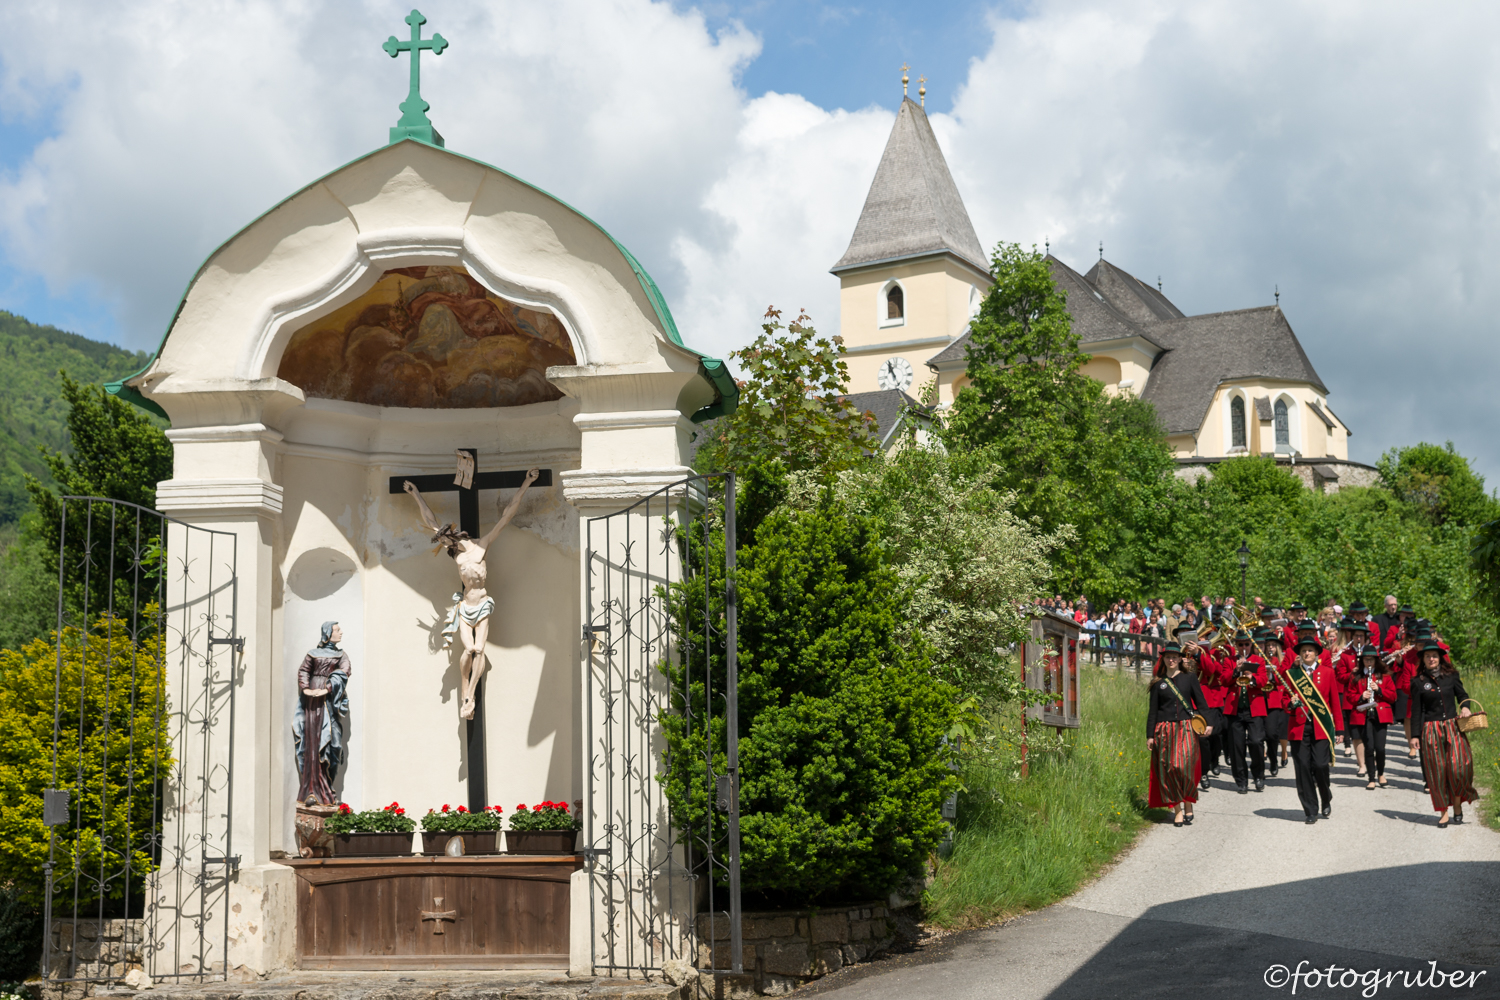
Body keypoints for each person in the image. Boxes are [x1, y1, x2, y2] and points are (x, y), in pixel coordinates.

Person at [404, 468, 541, 719]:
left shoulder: (481, 545)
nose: (444, 544)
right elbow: (430, 521)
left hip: (483, 605)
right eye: (442, 542)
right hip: (466, 607)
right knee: (468, 650)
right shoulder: (456, 554)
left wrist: (526, 483)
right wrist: (416, 495)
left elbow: (507, 515)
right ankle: (465, 690)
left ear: (452, 534)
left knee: (479, 649)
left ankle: (471, 695)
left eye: (445, 540)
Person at [1408, 640, 1478, 826]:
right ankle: (1443, 812)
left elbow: (1462, 696)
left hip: (1453, 726)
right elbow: (1416, 711)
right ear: (1423, 659)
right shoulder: (1418, 682)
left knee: (1459, 768)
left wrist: (1465, 707)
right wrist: (1415, 735)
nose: (1431, 659)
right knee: (1436, 772)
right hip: (1431, 730)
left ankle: (1457, 804)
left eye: (1434, 656)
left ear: (1440, 658)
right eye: (1428, 656)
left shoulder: (1451, 676)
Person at [1147, 640, 1211, 827]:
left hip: (1186, 728)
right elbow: (1153, 712)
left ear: (1180, 659)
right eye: (1168, 657)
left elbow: (1201, 702)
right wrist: (1150, 735)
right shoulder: (1158, 683)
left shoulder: (1189, 678)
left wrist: (1209, 723)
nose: (1171, 660)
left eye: (1174, 657)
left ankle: (1188, 802)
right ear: (1163, 659)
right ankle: (1177, 810)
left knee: (1185, 767)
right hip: (1164, 730)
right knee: (1170, 769)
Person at [294, 621, 353, 806]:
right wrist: (306, 689)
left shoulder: (341, 655)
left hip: (329, 701)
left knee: (334, 745)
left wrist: (327, 688)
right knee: (313, 743)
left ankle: (327, 787)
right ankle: (312, 790)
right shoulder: (312, 653)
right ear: (328, 633)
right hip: (313, 703)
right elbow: (304, 670)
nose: (341, 632)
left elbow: (344, 672)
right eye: (337, 630)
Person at [1287, 635, 1343, 824]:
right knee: (1303, 768)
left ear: (1317, 653)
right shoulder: (1292, 674)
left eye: (1310, 650)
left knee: (1320, 765)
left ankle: (1325, 796)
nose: (1307, 653)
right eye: (1303, 651)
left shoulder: (1327, 672)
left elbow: (1335, 702)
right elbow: (1284, 698)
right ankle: (1310, 810)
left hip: (1321, 726)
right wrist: (1291, 702)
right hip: (1299, 727)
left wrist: (1340, 730)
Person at [1224, 630, 1269, 793]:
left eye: (1246, 644)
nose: (1244, 647)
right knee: (1237, 746)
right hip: (1235, 709)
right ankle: (1241, 780)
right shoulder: (1229, 660)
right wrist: (1236, 671)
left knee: (1256, 742)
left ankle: (1258, 775)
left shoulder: (1258, 660)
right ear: (1236, 645)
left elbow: (1264, 680)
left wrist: (1252, 677)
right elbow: (1223, 680)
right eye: (1240, 644)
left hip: (1254, 708)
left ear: (1251, 644)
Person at [1348, 644, 1396, 790]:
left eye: (1371, 660)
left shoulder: (1385, 676)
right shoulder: (1356, 677)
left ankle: (1381, 774)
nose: (1368, 662)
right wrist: (1361, 696)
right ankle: (1371, 778)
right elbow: (1349, 696)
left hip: (1380, 715)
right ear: (1362, 661)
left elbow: (1393, 696)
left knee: (1380, 748)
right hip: (1364, 714)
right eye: (1366, 660)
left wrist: (1379, 690)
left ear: (1376, 661)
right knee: (1369, 747)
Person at [1257, 627, 1291, 774]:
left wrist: (1272, 673)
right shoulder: (1260, 659)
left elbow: (1282, 679)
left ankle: (1273, 760)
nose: (1270, 648)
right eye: (1268, 645)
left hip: (1274, 700)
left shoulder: (1281, 661)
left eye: (1273, 645)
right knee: (1259, 735)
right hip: (1260, 699)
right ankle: (1260, 763)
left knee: (1272, 734)